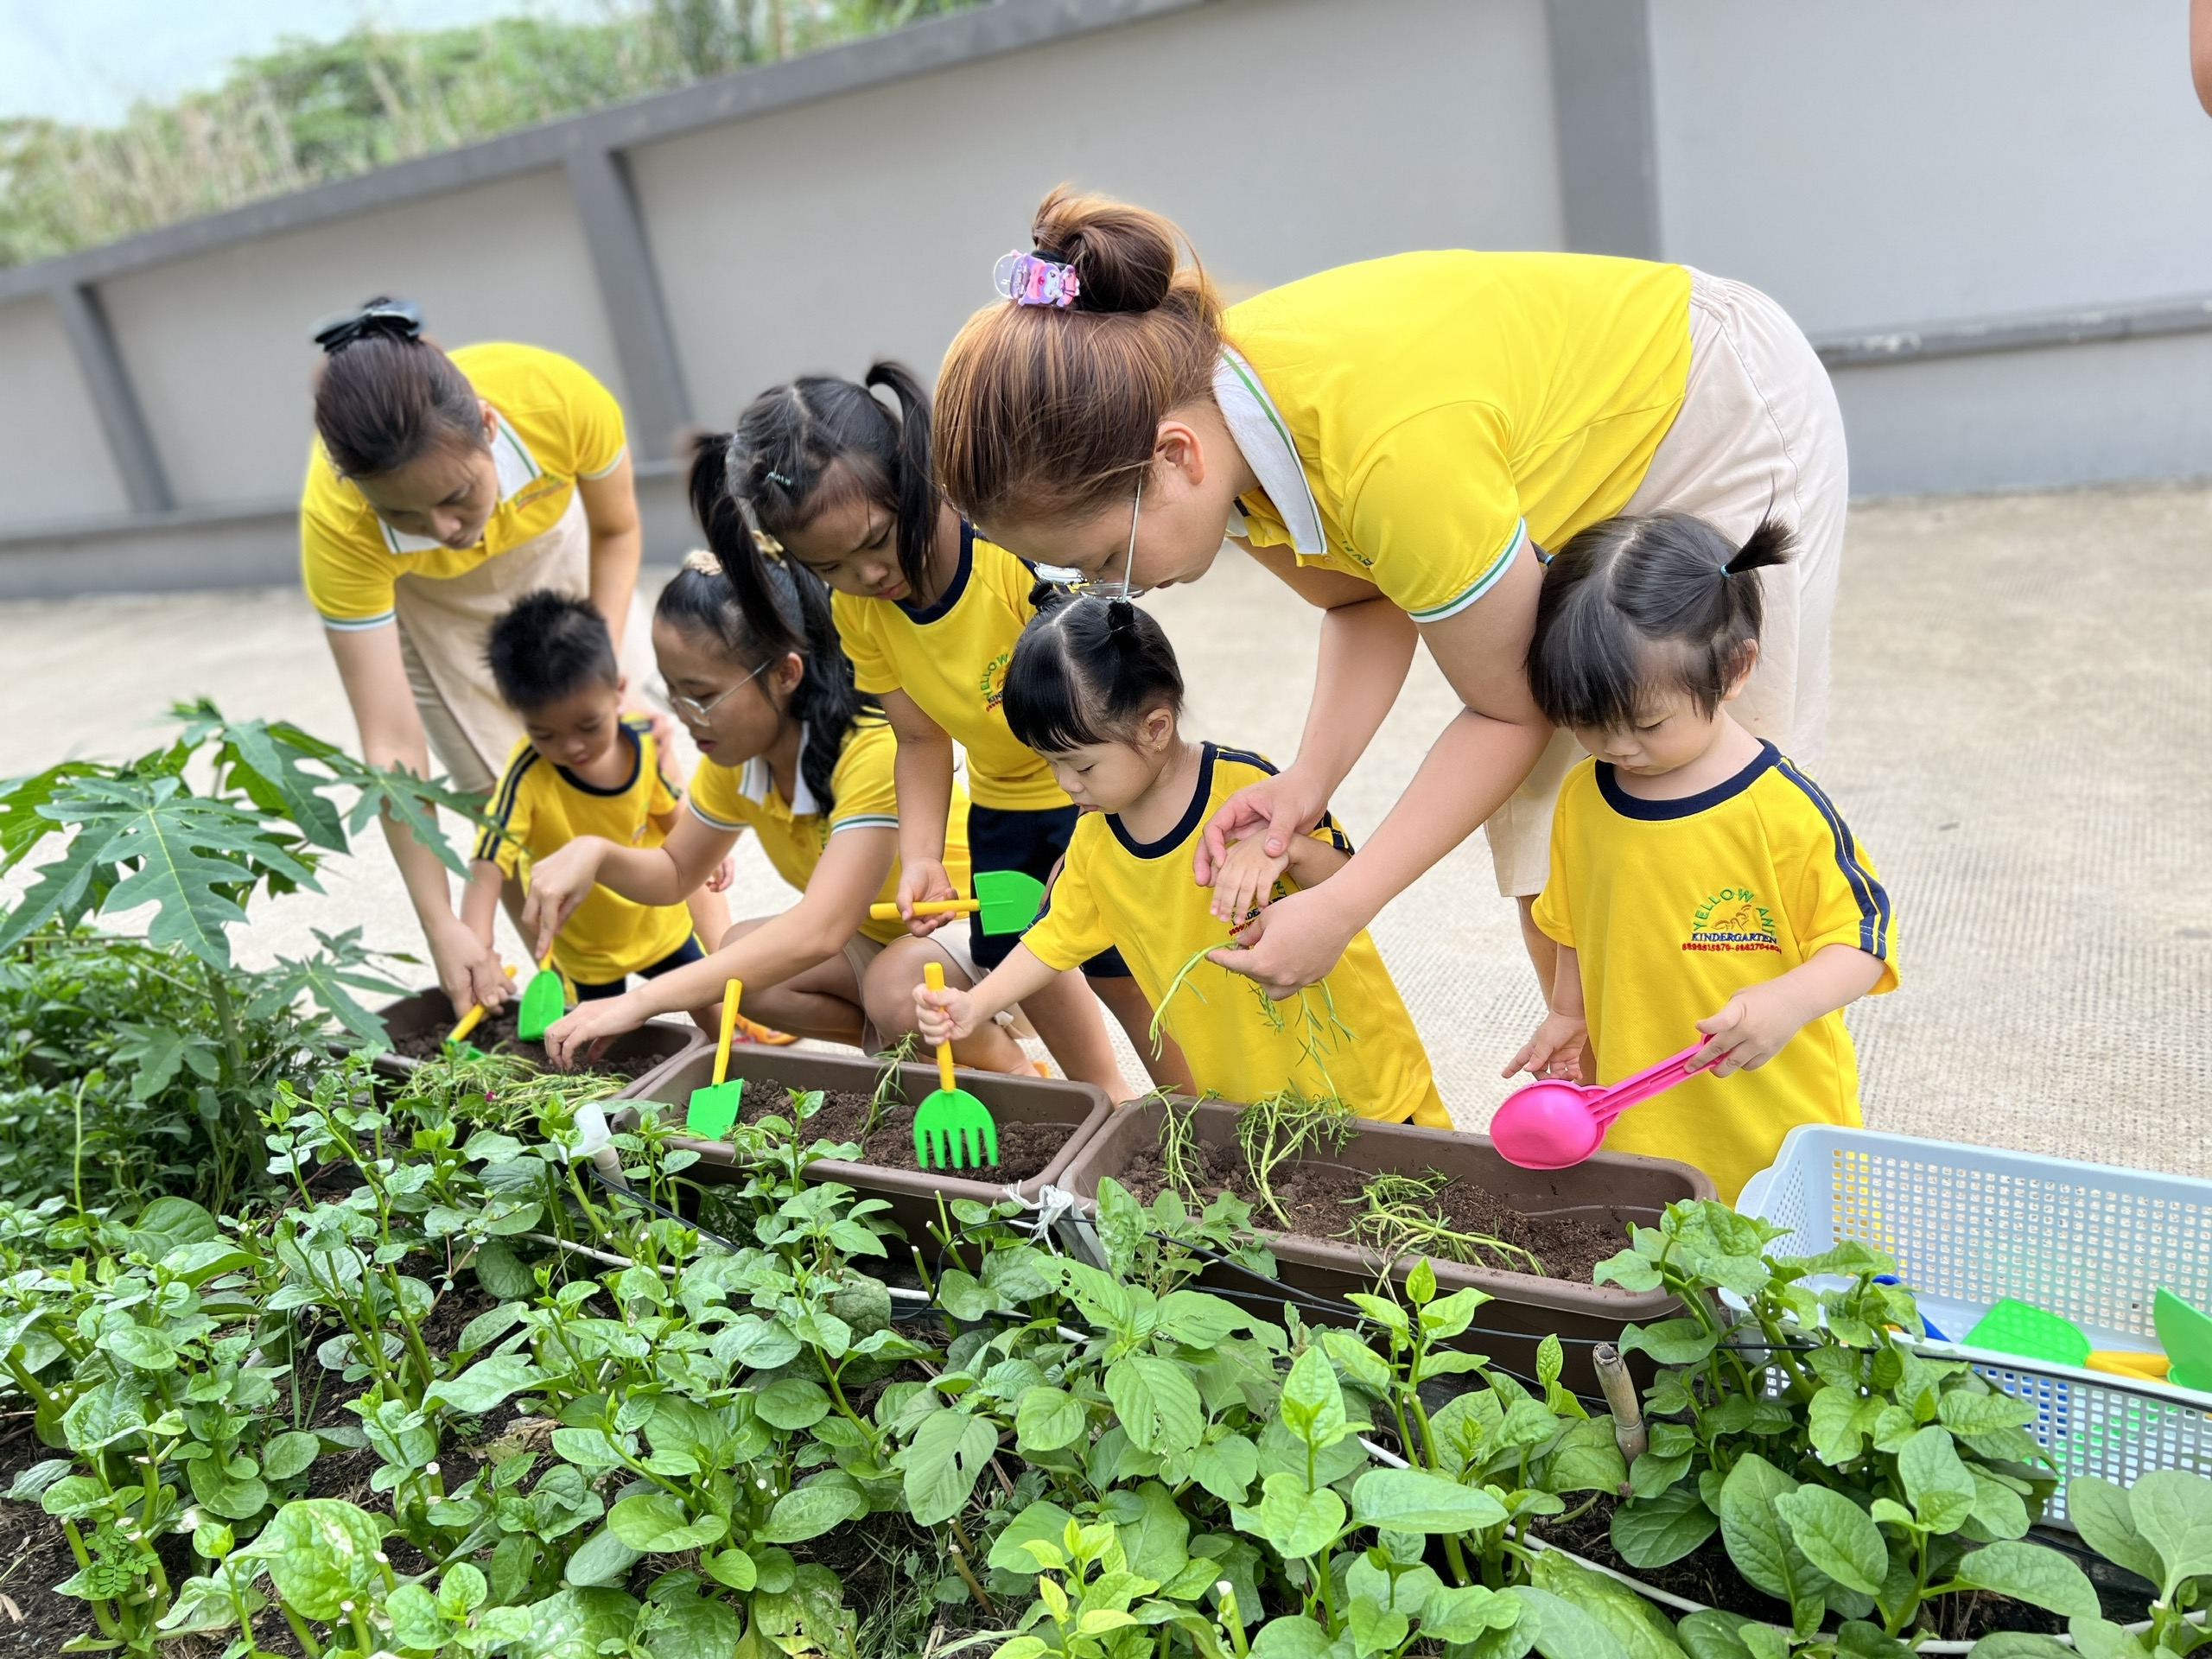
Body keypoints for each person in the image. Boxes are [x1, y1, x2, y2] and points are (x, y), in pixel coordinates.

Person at [931, 190, 1847, 1013]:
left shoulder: (1388, 458)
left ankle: (1748, 1103)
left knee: (1703, 798)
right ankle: (1604, 1082)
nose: (1114, 591)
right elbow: (1362, 602)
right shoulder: (1212, 435)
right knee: (1550, 822)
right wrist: (1306, 784)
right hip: (1538, 453)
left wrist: (1343, 903)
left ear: (1175, 459)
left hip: (1705, 406)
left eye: (1106, 558)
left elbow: (1509, 711)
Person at [703, 365, 1174, 1098]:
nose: (867, 574)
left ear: (912, 478)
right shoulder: (861, 611)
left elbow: (1114, 684)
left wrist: (1095, 823)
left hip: (1103, 784)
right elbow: (920, 739)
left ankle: (1196, 1111)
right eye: (830, 567)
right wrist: (922, 855)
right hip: (1007, 812)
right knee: (1027, 953)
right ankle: (1106, 1098)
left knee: (1121, 966)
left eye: (877, 540)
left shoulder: (1008, 556)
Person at [916, 592, 1447, 1128]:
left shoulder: (1248, 791)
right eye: (1050, 763)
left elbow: (1349, 885)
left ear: (1155, 729)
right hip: (1248, 1107)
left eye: (1082, 765)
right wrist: (976, 1005)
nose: (1066, 784)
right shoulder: (1095, 842)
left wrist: (1287, 852)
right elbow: (1052, 940)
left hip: (1363, 1081)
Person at [1503, 513, 1896, 1200]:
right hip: (1644, 1117)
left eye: (1647, 723)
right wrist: (1568, 1014)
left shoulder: (1782, 812)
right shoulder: (1583, 797)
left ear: (1734, 669)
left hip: (1775, 1118)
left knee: (1792, 1258)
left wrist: (1790, 1000)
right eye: (1588, 724)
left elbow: (1863, 943)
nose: (1618, 747)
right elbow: (1571, 924)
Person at [528, 539, 1011, 1073]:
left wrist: (639, 1000)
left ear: (785, 674)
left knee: (892, 986)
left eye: (701, 694)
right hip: (886, 944)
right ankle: (909, 1055)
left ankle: (1015, 1075)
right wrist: (595, 854)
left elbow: (820, 931)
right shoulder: (738, 756)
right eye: (671, 691)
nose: (685, 716)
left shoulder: (871, 751)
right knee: (744, 961)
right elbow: (674, 871)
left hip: (976, 935)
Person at [302, 298, 657, 1020]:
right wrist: (443, 923)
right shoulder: (336, 523)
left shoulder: (557, 398)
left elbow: (617, 530)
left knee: (628, 760)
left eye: (456, 496)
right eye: (402, 515)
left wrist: (605, 653)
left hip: (558, 561)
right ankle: (580, 998)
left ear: (489, 427)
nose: (443, 527)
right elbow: (392, 747)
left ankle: (699, 968)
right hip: (435, 607)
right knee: (511, 796)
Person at [461, 590, 737, 1033]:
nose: (571, 747)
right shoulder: (527, 775)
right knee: (596, 1039)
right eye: (545, 734)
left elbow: (670, 811)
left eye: (588, 726)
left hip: (659, 925)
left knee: (712, 1012)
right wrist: (477, 943)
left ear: (618, 692)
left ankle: (733, 1055)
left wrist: (707, 849)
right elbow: (489, 858)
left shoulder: (644, 741)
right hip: (589, 952)